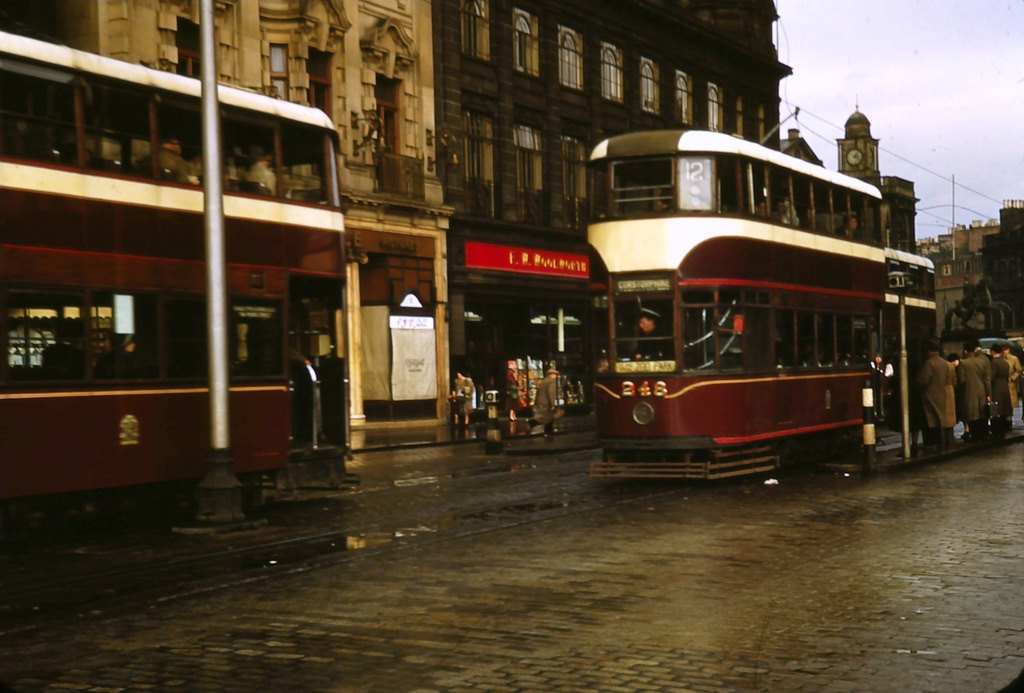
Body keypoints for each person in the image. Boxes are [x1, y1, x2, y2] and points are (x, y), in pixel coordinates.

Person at [915, 339, 950, 451]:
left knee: (930, 421)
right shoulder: (944, 363)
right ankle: (941, 441)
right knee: (940, 418)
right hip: (941, 393)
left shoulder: (929, 363)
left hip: (929, 394)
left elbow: (923, 380)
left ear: (929, 351)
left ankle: (931, 443)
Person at [958, 341, 991, 441]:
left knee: (971, 414)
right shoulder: (983, 361)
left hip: (969, 391)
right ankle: (983, 434)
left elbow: (962, 380)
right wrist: (988, 393)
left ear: (966, 351)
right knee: (982, 414)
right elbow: (987, 379)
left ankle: (974, 435)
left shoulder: (963, 363)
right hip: (982, 390)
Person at [989, 344, 1011, 437]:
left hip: (996, 388)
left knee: (996, 410)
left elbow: (991, 376)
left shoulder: (994, 362)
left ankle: (996, 432)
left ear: (993, 352)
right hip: (1004, 387)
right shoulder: (1005, 362)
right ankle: (1002, 430)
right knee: (1003, 410)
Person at [531, 367, 560, 439]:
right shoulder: (551, 382)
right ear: (551, 375)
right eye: (555, 374)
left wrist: (535, 402)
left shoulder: (543, 381)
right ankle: (530, 424)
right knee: (545, 418)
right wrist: (552, 404)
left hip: (541, 403)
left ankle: (548, 433)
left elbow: (538, 393)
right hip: (547, 404)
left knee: (547, 419)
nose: (556, 376)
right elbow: (551, 393)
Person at [869, 354, 893, 420]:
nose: (878, 359)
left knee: (880, 397)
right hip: (875, 383)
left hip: (880, 383)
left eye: (879, 357)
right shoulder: (872, 364)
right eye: (877, 357)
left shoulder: (884, 365)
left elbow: (887, 373)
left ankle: (880, 412)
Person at [1002, 343, 1021, 425]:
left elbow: (1018, 370)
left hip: (1010, 384)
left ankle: (1009, 420)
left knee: (1010, 403)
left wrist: (1013, 378)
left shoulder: (1014, 359)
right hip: (1002, 383)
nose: (1004, 352)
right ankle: (1004, 420)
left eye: (1005, 350)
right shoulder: (1000, 358)